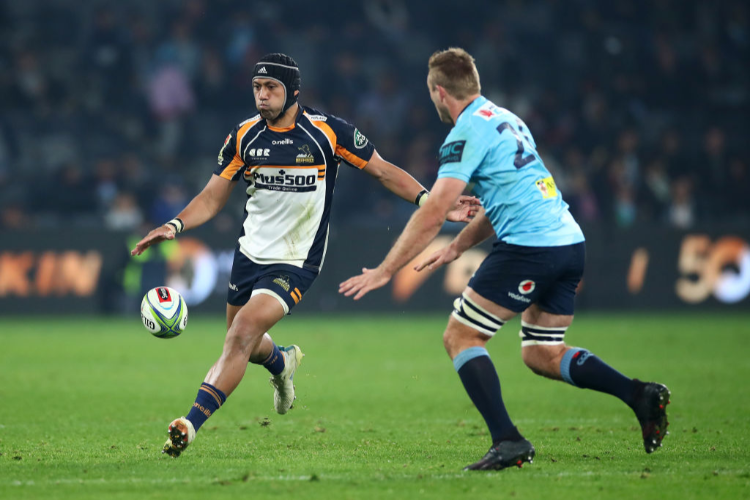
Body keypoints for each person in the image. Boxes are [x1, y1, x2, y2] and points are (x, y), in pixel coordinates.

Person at [130, 53, 479, 457]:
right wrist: (174, 226)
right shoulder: (244, 136)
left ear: (293, 91)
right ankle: (281, 363)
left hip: (296, 261)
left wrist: (433, 202)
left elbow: (383, 170)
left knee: (242, 332)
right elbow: (212, 197)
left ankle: (190, 423)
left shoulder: (328, 133)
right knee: (242, 340)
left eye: (271, 88)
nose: (262, 96)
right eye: (258, 88)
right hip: (249, 255)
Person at [339, 48, 670, 471]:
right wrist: (458, 247)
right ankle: (639, 395)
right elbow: (505, 199)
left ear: (440, 93)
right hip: (569, 242)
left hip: (531, 247)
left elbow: (435, 207)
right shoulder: (507, 119)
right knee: (542, 354)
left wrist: (387, 270)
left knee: (460, 337)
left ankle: (508, 440)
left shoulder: (464, 134)